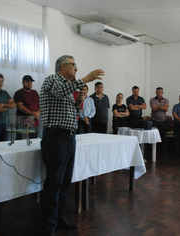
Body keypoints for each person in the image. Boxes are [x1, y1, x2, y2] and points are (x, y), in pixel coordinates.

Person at [39, 55, 104, 235]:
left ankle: (59, 219)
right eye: (74, 65)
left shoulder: (68, 88)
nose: (76, 69)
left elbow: (70, 112)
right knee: (54, 183)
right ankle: (47, 227)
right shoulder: (52, 80)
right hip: (55, 138)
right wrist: (85, 79)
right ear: (63, 66)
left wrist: (78, 103)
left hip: (68, 137)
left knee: (65, 183)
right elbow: (59, 91)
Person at [150, 87, 169, 154]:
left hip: (163, 121)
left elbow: (166, 107)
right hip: (154, 121)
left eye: (160, 92)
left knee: (163, 136)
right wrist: (163, 108)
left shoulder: (166, 100)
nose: (158, 93)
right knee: (153, 136)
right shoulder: (152, 100)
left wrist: (158, 107)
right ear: (156, 93)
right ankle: (153, 152)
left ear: (162, 93)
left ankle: (163, 151)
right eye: (157, 92)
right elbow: (154, 108)